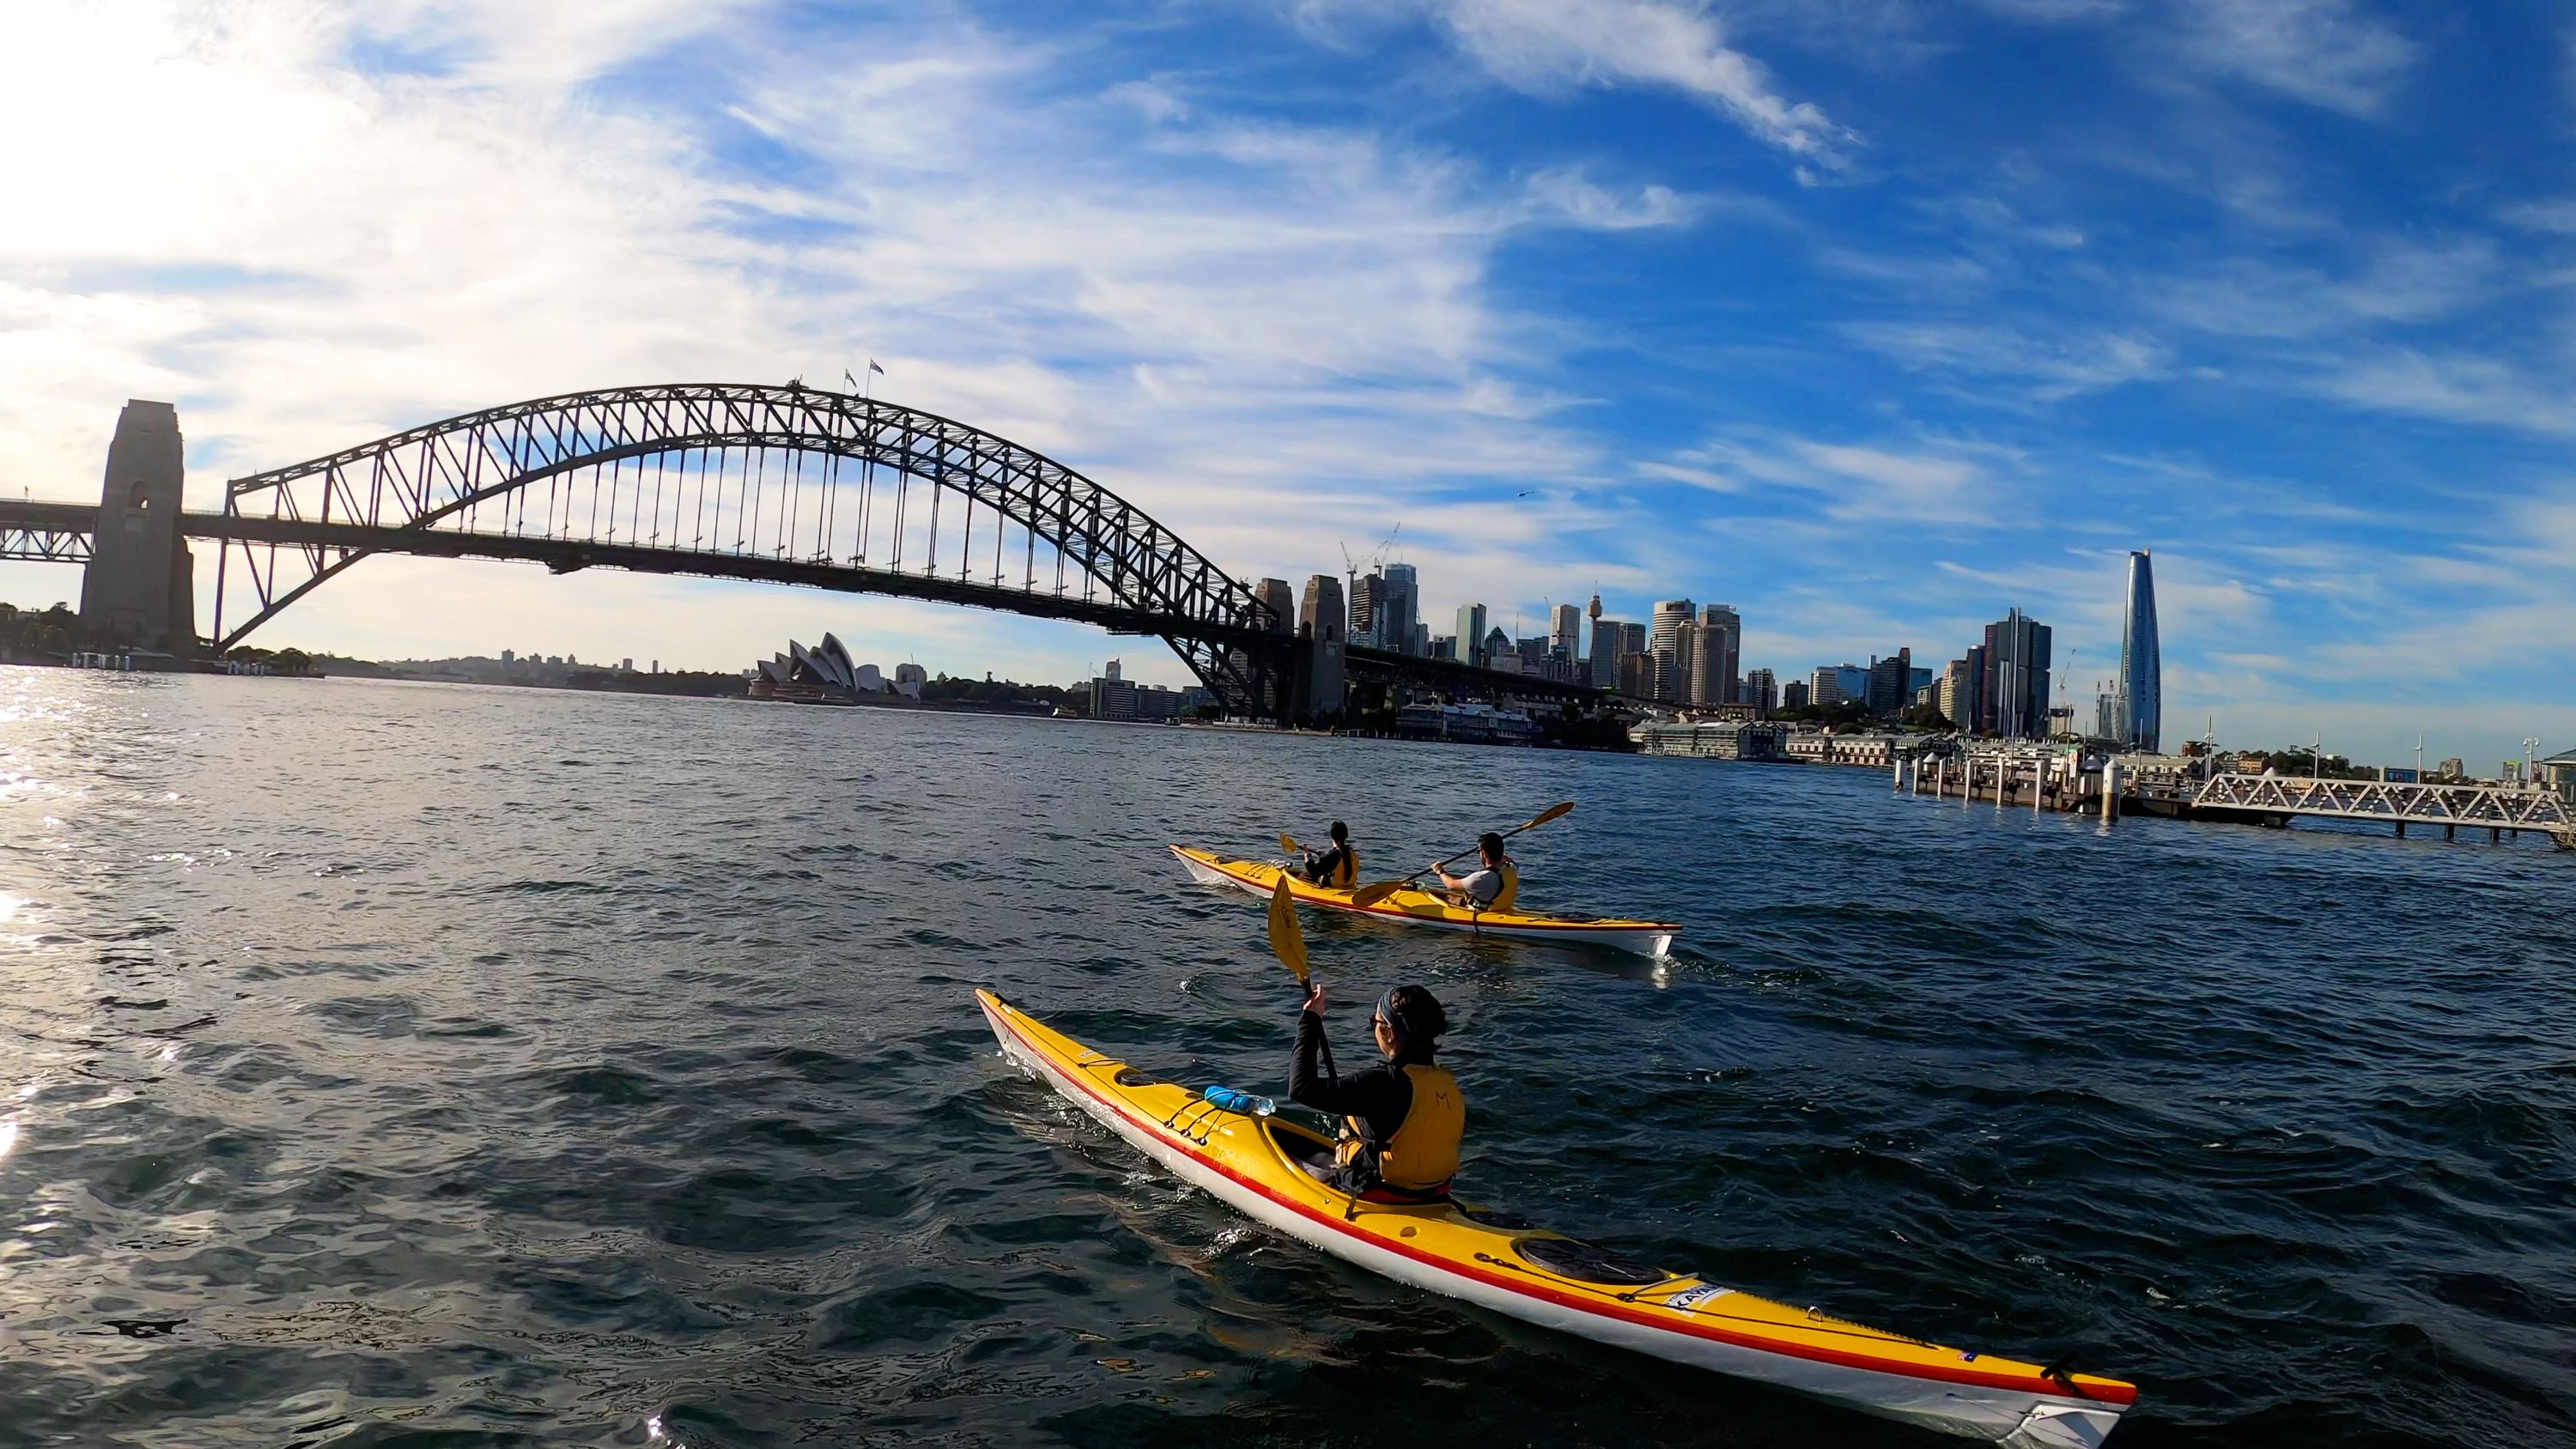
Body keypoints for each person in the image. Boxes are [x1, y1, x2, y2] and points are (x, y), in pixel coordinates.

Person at [1288, 982, 1463, 1201]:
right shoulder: (1445, 1082)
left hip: (1378, 1191)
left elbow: (1301, 1088)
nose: (1373, 1027)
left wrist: (1310, 1021)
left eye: (1375, 1022)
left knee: (1292, 1155)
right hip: (1432, 1191)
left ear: (1389, 1032)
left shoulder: (1384, 1082)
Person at [1431, 832, 1518, 912]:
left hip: (1481, 911)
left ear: (1483, 853)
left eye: (1478, 852)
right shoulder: (1512, 868)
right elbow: (1507, 859)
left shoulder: (1481, 878)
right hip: (1501, 907)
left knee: (1446, 898)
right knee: (1448, 897)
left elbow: (1451, 885)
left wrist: (1440, 871)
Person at [1297, 820, 1358, 889]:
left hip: (1334, 888)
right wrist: (1323, 857)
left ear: (1332, 837)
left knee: (1302, 876)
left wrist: (1307, 855)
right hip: (1350, 887)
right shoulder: (1352, 852)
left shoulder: (1335, 855)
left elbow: (1314, 873)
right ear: (1346, 836)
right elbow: (1332, 862)